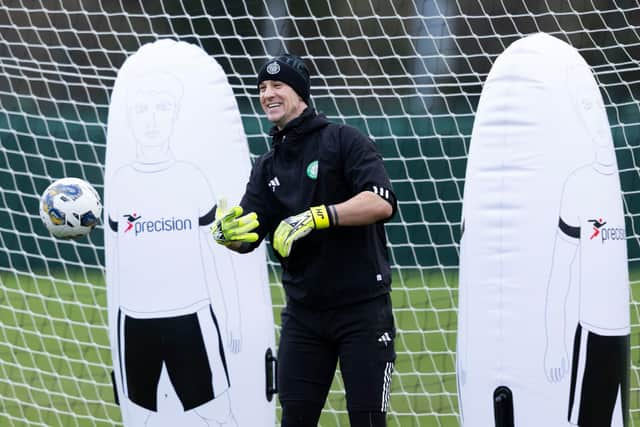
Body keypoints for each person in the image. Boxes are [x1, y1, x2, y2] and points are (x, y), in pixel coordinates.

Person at [211, 53, 397, 426]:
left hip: (362, 312)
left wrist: (319, 216)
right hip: (304, 316)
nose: (267, 94)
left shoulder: (344, 140)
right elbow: (250, 234)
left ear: (300, 93)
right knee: (294, 419)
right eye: (262, 88)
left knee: (368, 420)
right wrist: (227, 233)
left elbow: (381, 201)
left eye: (277, 85)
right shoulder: (267, 165)